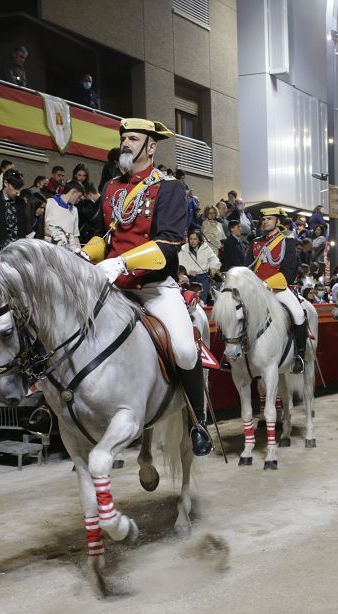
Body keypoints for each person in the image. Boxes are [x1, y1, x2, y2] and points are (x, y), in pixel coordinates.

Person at [90, 117, 212, 455]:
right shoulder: (112, 187)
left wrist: (122, 262)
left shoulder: (168, 188)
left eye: (133, 139)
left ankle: (197, 421)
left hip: (153, 286)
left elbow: (168, 243)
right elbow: (104, 235)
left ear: (151, 147)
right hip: (113, 287)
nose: (125, 144)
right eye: (123, 138)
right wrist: (84, 254)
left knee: (186, 350)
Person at [248, 207, 308, 373]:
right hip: (256, 290)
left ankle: (299, 357)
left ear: (277, 222)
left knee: (298, 314)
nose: (265, 221)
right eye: (264, 219)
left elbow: (289, 270)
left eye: (269, 219)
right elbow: (246, 267)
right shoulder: (255, 242)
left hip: (278, 289)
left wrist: (267, 284)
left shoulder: (287, 241)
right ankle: (230, 356)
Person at [178, 230, 220, 303]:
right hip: (189, 278)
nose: (192, 241)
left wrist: (213, 268)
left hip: (203, 278)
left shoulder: (206, 248)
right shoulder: (184, 249)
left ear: (199, 240)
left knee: (202, 301)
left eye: (195, 239)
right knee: (190, 300)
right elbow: (180, 263)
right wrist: (188, 271)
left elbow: (214, 259)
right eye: (190, 239)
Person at [44, 180, 83, 250]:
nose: (79, 200)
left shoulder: (74, 210)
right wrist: (55, 234)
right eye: (79, 196)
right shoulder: (49, 203)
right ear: (73, 192)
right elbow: (40, 229)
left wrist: (80, 253)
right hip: (49, 249)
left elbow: (75, 236)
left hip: (67, 253)